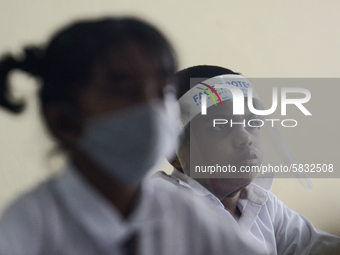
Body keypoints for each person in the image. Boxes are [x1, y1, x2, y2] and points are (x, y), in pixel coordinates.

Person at [0, 19, 263, 254]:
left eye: (162, 93)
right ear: (64, 122)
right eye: (126, 91)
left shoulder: (187, 217)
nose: (151, 111)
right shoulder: (26, 230)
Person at [151, 65, 340, 255]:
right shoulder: (160, 207)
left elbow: (322, 248)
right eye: (220, 127)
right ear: (175, 153)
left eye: (253, 123)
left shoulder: (262, 204)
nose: (245, 139)